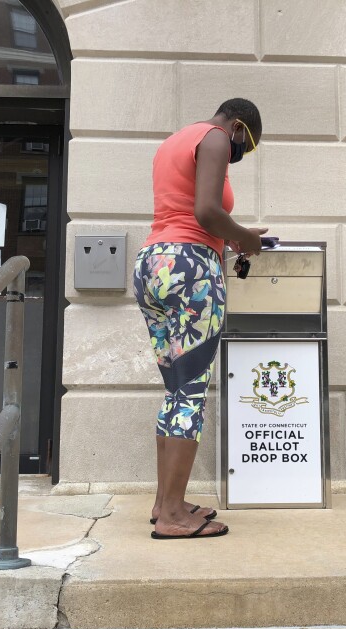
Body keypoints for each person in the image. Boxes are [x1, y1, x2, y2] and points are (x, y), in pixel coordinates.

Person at [133, 98, 267, 539]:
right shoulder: (213, 138)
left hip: (154, 264)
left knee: (175, 389)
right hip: (191, 268)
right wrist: (247, 240)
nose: (238, 157)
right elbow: (206, 212)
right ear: (239, 128)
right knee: (191, 393)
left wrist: (232, 240)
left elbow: (186, 214)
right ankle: (173, 517)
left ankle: (164, 501)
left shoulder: (174, 141)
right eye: (243, 148)